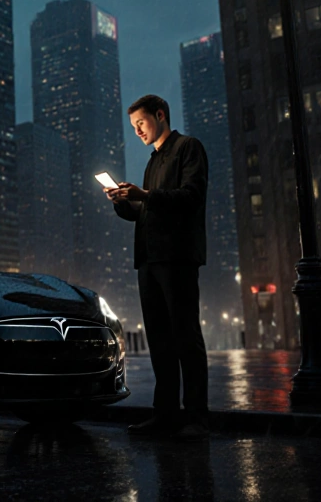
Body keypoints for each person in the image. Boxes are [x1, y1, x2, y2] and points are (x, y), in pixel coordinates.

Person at [104, 94, 209, 440]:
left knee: (185, 338)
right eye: (133, 126)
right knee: (160, 341)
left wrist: (145, 195)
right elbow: (146, 211)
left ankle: (196, 418)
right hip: (148, 260)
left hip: (177, 258)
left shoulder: (188, 148)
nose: (137, 131)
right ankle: (165, 415)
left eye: (141, 123)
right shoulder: (152, 162)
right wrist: (124, 202)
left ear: (160, 115)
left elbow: (190, 196)